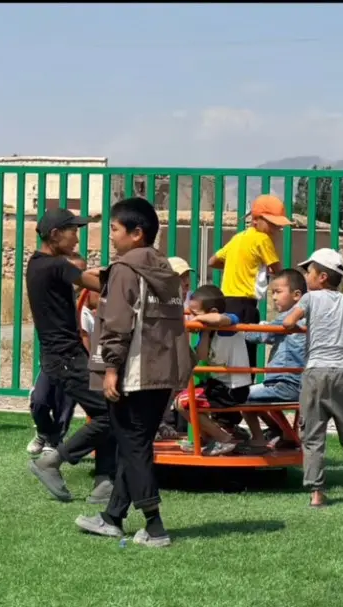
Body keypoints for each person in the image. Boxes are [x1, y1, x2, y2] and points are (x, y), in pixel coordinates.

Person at [76, 198, 194, 548]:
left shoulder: (126, 270)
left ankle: (155, 526)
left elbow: (117, 324)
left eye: (114, 229)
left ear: (136, 233)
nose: (110, 236)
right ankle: (112, 518)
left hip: (133, 374)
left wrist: (111, 368)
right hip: (163, 374)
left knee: (133, 447)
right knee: (136, 445)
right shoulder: (166, 271)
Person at [26, 208, 117, 505]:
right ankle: (52, 461)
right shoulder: (55, 265)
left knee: (109, 408)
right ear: (55, 235)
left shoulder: (37, 264)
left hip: (63, 355)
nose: (77, 238)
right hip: (66, 357)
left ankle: (105, 482)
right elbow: (99, 284)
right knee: (109, 414)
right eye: (73, 231)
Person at [282, 248, 343, 508]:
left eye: (309, 272)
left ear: (322, 277)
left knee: (313, 436)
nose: (306, 277)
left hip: (315, 374)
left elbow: (288, 323)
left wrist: (301, 328)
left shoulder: (309, 299)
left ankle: (316, 493)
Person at [208, 194, 292, 371]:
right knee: (246, 357)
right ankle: (245, 387)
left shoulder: (238, 238)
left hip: (226, 303)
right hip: (245, 305)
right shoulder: (262, 239)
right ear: (256, 220)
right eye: (272, 223)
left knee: (228, 355)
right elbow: (278, 271)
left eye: (278, 225)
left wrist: (238, 265)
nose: (276, 229)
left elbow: (212, 261)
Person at [175, 284, 251, 456]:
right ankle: (208, 439)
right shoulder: (207, 331)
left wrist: (197, 321)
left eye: (196, 313)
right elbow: (202, 356)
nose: (192, 317)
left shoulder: (228, 326)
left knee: (183, 403)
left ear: (213, 311)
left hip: (233, 388)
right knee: (182, 399)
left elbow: (221, 319)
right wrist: (204, 332)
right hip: (219, 384)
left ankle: (223, 439)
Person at [26, 252, 88, 458]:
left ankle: (54, 442)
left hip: (75, 359)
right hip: (53, 359)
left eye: (80, 272)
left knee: (65, 405)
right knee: (39, 400)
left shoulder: (88, 299)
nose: (75, 278)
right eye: (72, 272)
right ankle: (44, 432)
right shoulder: (53, 296)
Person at [242, 269, 307, 452]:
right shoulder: (304, 316)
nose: (274, 298)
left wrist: (237, 329)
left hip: (284, 384)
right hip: (294, 383)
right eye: (272, 293)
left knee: (239, 396)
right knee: (252, 397)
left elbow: (261, 335)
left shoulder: (290, 317)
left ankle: (258, 439)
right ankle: (284, 434)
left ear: (296, 295)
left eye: (278, 292)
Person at [155, 256, 194, 441]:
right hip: (159, 353)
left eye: (186, 277)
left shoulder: (188, 303)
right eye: (180, 277)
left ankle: (162, 422)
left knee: (171, 390)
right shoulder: (157, 301)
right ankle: (155, 424)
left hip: (176, 352)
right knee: (157, 389)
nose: (185, 282)